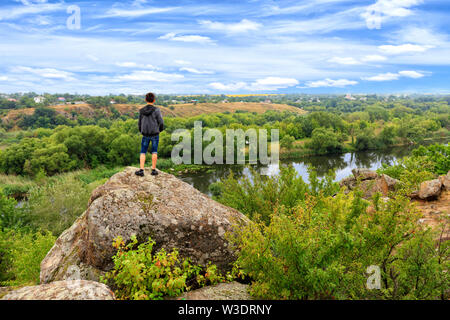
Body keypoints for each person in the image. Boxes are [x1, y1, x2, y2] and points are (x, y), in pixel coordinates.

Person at [135, 92, 164, 177]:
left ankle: (141, 170)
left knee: (142, 152)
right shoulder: (156, 110)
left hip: (145, 134)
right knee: (154, 151)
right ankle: (153, 170)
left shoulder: (141, 110)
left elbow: (139, 123)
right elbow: (161, 122)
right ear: (154, 100)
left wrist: (141, 131)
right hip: (155, 133)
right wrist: (160, 130)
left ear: (145, 100)